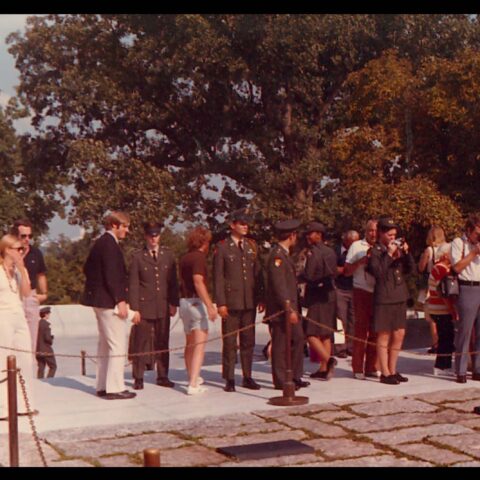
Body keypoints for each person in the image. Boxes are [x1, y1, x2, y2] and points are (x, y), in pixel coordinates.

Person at [81, 211, 137, 400]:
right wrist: (120, 300)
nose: (127, 230)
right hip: (109, 302)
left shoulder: (99, 243)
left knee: (105, 344)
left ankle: (103, 385)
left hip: (99, 300)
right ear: (114, 225)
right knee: (117, 344)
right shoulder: (110, 245)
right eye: (125, 226)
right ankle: (115, 387)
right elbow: (113, 276)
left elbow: (87, 268)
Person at [213, 209, 265, 392]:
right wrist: (220, 303)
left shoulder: (251, 246)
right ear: (232, 225)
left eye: (246, 224)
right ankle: (229, 377)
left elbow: (257, 274)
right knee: (229, 342)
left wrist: (260, 297)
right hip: (231, 301)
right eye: (241, 223)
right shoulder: (222, 247)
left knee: (248, 340)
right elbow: (218, 277)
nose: (245, 227)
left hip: (249, 300)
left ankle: (247, 375)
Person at [128, 221, 179, 390]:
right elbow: (134, 284)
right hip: (144, 307)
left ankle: (163, 375)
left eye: (156, 235)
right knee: (141, 343)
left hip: (163, 306)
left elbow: (173, 283)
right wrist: (134, 309)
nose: (153, 239)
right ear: (146, 236)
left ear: (160, 236)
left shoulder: (168, 256)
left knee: (163, 341)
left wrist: (173, 303)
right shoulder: (137, 257)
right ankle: (138, 377)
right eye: (150, 235)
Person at [367, 217, 416, 385]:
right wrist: (388, 254)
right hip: (384, 297)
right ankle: (385, 372)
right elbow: (378, 273)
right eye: (389, 234)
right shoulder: (375, 251)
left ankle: (393, 369)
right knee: (384, 335)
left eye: (394, 234)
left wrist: (406, 253)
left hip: (399, 295)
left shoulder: (397, 249)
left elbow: (411, 270)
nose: (392, 238)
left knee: (399, 333)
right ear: (381, 233)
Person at [265, 219, 310, 391]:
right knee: (280, 344)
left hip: (292, 307)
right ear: (291, 236)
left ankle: (294, 376)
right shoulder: (277, 256)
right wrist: (288, 308)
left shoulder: (285, 255)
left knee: (298, 339)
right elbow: (279, 286)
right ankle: (281, 379)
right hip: (282, 309)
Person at [0, 234, 37, 418]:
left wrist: (23, 270)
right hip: (2, 317)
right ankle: (3, 407)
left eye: (22, 249)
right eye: (17, 249)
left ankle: (24, 403)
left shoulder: (16, 271)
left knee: (24, 358)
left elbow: (26, 293)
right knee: (3, 361)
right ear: (7, 249)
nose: (21, 252)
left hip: (18, 315)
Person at [179, 226, 218, 395]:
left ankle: (191, 376)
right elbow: (198, 281)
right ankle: (193, 383)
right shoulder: (199, 258)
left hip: (184, 302)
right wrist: (209, 305)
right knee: (200, 345)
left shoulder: (185, 257)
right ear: (204, 242)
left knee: (190, 343)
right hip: (195, 302)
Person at [302, 222, 338, 381]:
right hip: (330, 294)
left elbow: (309, 275)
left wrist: (298, 277)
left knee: (309, 332)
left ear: (318, 234)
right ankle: (323, 369)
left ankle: (328, 360)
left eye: (310, 233)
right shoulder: (330, 251)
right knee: (325, 334)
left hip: (318, 295)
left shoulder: (313, 252)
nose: (308, 237)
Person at [344, 219, 379, 380]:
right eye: (370, 230)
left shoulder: (381, 247)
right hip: (361, 291)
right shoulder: (357, 246)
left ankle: (371, 366)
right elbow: (346, 271)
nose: (373, 234)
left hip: (378, 293)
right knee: (361, 331)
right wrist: (361, 261)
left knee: (376, 332)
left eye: (376, 230)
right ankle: (357, 367)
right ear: (366, 231)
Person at [11, 219, 48, 353]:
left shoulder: (36, 253)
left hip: (30, 297)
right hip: (13, 296)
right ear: (15, 235)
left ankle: (28, 371)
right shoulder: (8, 252)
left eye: (30, 236)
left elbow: (41, 274)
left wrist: (43, 294)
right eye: (23, 236)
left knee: (31, 340)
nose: (27, 239)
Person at [451, 213, 480, 384]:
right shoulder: (458, 243)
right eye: (477, 232)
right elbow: (456, 268)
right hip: (467, 287)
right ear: (469, 230)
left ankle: (478, 368)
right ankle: (461, 370)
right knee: (465, 331)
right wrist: (474, 252)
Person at [426, 243, 456, 376]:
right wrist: (452, 310)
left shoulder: (438, 268)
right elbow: (444, 292)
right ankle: (441, 366)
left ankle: (445, 364)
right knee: (446, 337)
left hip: (438, 308)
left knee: (446, 336)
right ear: (445, 255)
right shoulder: (441, 269)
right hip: (440, 309)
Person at [418, 225, 448, 353]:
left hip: (431, 286)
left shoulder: (429, 250)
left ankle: (436, 344)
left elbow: (421, 268)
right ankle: (445, 343)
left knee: (432, 318)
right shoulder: (447, 248)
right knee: (445, 316)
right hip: (444, 285)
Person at [334, 229, 360, 358]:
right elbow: (332, 268)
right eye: (352, 243)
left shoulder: (358, 251)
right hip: (340, 288)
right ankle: (340, 348)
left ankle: (351, 346)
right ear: (346, 241)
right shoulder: (336, 250)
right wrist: (344, 269)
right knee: (341, 318)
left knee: (353, 319)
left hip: (354, 287)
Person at [36, 306, 57, 378]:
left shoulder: (37, 324)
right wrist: (51, 339)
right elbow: (47, 338)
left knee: (41, 368)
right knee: (53, 366)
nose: (49, 315)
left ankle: (40, 382)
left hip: (38, 349)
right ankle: (49, 381)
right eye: (48, 314)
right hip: (46, 350)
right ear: (45, 314)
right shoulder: (46, 325)